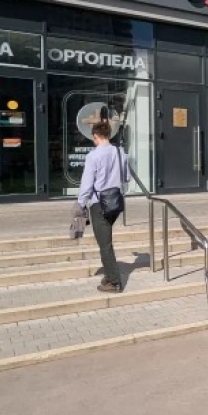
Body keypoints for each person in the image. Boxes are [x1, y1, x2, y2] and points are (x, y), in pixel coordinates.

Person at [77, 121, 129, 293]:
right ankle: (109, 275)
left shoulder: (93, 156)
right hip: (115, 202)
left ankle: (114, 282)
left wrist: (80, 203)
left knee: (104, 244)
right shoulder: (120, 152)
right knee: (105, 239)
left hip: (99, 204)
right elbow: (126, 177)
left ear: (95, 136)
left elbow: (87, 184)